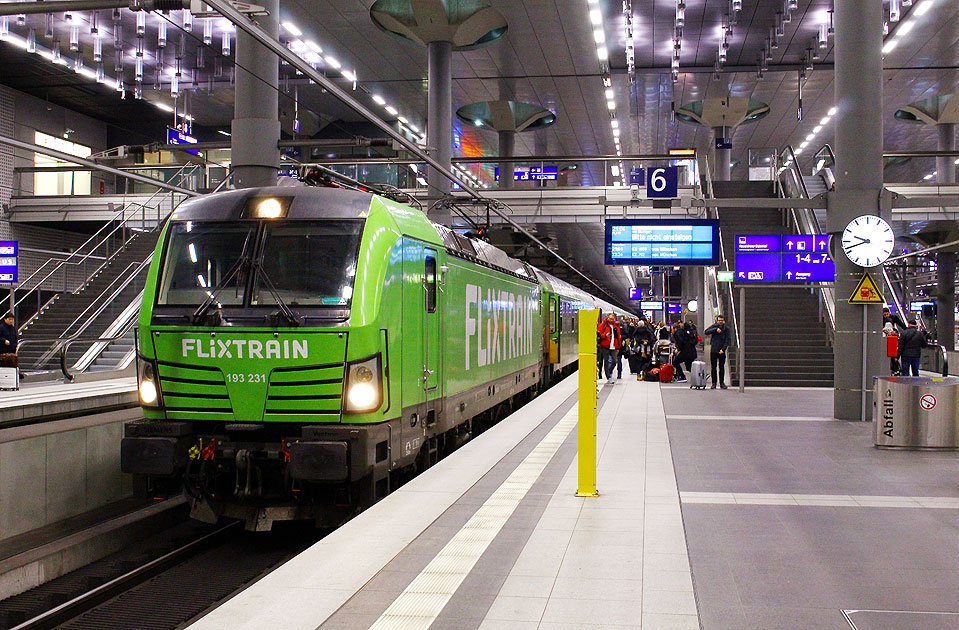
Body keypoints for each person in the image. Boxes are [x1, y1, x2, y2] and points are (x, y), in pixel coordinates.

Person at [703, 315, 730, 389]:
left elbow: (727, 340)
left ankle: (722, 382)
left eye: (722, 320)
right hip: (714, 349)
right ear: (717, 321)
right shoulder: (714, 327)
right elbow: (706, 332)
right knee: (713, 367)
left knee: (721, 367)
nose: (720, 322)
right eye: (719, 320)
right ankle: (714, 383)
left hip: (721, 350)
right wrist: (715, 329)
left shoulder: (726, 329)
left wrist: (723, 349)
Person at [597, 312, 623, 383]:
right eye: (610, 318)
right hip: (605, 346)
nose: (611, 320)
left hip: (613, 347)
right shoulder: (603, 325)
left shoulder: (615, 327)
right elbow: (598, 334)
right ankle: (608, 376)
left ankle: (610, 371)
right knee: (606, 361)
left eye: (613, 319)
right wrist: (605, 335)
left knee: (615, 361)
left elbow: (618, 338)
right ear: (608, 318)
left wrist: (618, 347)